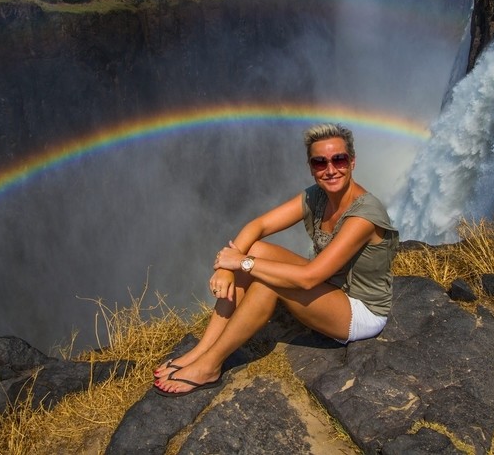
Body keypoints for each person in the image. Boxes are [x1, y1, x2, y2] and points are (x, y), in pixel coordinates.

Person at [153, 122, 399, 396]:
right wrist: (225, 267)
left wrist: (241, 263)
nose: (330, 169)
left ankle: (210, 366)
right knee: (256, 248)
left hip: (359, 310)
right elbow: (258, 226)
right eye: (320, 162)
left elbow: (309, 278)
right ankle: (201, 350)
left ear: (352, 162)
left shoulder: (363, 216)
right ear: (311, 166)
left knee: (266, 282)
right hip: (331, 287)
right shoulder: (317, 195)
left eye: (338, 159)